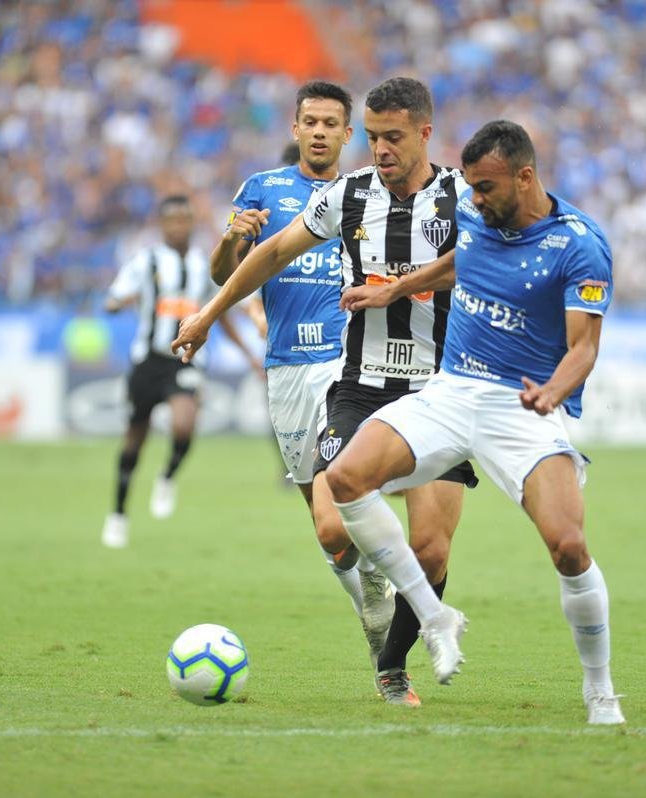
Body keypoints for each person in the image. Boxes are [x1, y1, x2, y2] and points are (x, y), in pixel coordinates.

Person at [174, 77, 477, 705]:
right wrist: (207, 313)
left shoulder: (460, 197)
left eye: (389, 136)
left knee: (432, 548)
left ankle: (393, 665)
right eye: (372, 137)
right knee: (334, 522)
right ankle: (388, 605)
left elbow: (495, 252)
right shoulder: (343, 196)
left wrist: (399, 289)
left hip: (442, 389)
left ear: (423, 133)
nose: (379, 148)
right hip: (352, 377)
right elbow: (272, 253)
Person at [326, 119, 626, 725]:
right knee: (346, 478)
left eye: (486, 188)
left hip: (523, 408)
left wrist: (553, 393)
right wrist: (395, 290)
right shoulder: (475, 209)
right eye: (471, 187)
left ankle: (600, 689)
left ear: (525, 175)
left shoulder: (579, 246)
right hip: (451, 389)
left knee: (569, 547)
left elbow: (584, 349)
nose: (475, 199)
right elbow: (459, 262)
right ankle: (434, 616)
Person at [209, 80, 397, 674]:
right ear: (295, 129)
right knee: (330, 537)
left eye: (330, 123)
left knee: (331, 512)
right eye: (309, 121)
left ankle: (380, 599)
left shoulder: (369, 193)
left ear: (348, 134)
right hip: (286, 367)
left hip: (349, 368)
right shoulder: (262, 191)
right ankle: (373, 602)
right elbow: (223, 275)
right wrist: (233, 238)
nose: (318, 132)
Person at [101, 194, 257, 549]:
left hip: (185, 359)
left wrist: (248, 353)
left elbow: (220, 312)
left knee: (185, 426)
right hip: (148, 361)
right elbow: (115, 296)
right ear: (161, 225)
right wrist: (115, 302)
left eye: (183, 220)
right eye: (171, 221)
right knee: (133, 442)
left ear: (190, 223)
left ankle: (168, 475)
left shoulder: (205, 265)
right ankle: (118, 514)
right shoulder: (147, 261)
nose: (177, 227)